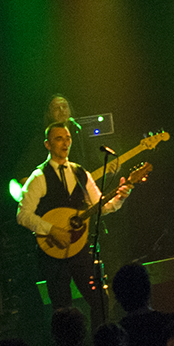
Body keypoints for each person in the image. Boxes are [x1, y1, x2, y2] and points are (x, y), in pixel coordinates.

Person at [17, 121, 131, 334]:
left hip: (79, 249)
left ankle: (100, 342)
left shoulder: (80, 173)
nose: (65, 143)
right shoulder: (39, 177)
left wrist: (120, 198)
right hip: (52, 251)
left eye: (68, 138)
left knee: (100, 300)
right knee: (63, 310)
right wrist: (51, 229)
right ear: (48, 144)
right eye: (59, 139)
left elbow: (101, 206)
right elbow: (22, 215)